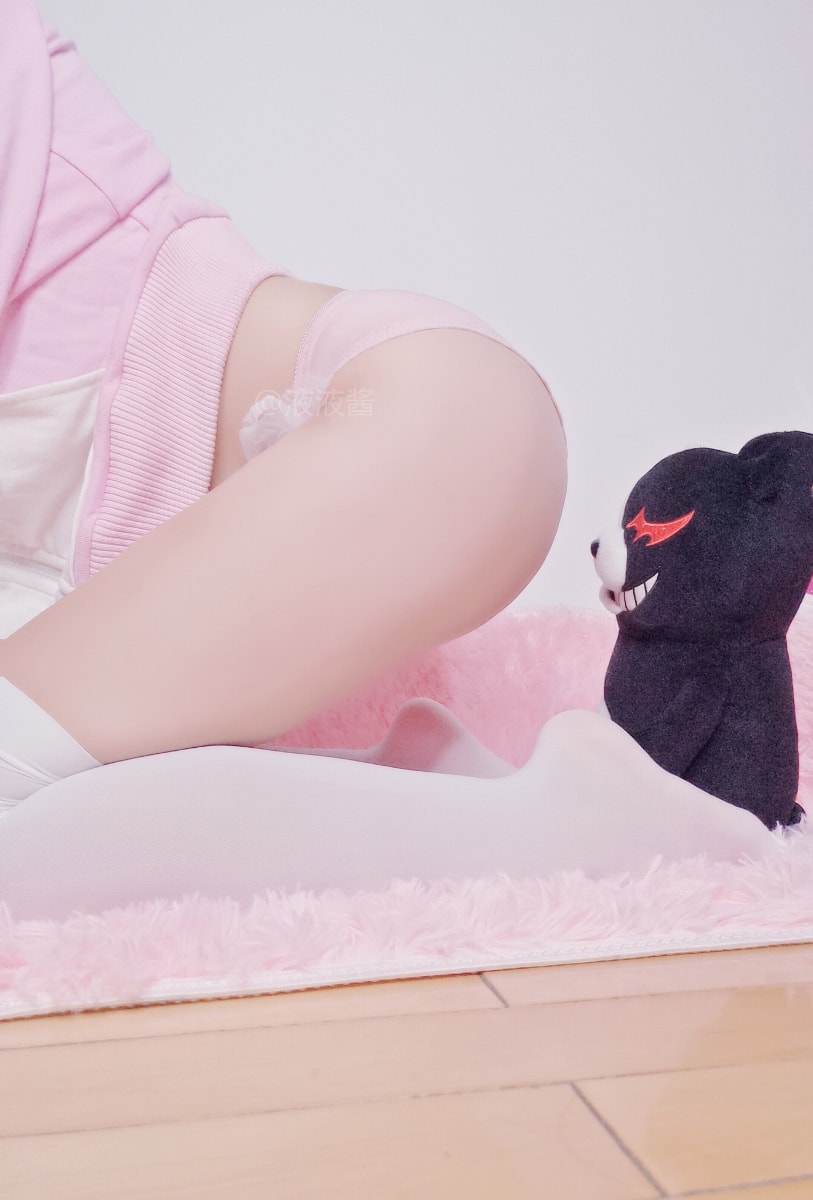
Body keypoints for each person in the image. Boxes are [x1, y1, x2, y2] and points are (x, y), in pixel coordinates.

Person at [0, 2, 779, 920]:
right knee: (44, 818)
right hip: (346, 470)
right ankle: (474, 805)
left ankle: (550, 829)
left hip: (413, 415)